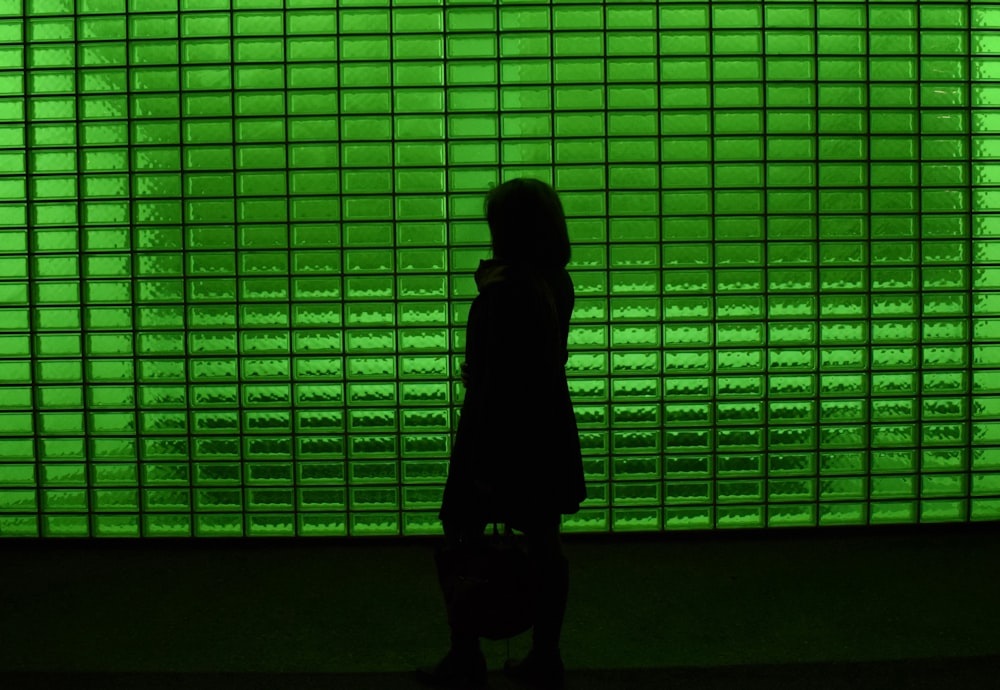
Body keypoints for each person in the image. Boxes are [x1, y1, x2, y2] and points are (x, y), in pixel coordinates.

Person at [415, 178, 587, 690]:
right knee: (543, 541)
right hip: (546, 426)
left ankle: (465, 656)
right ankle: (546, 658)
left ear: (506, 230)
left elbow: (497, 377)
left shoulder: (505, 292)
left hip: (496, 430)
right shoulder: (555, 280)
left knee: (463, 534)